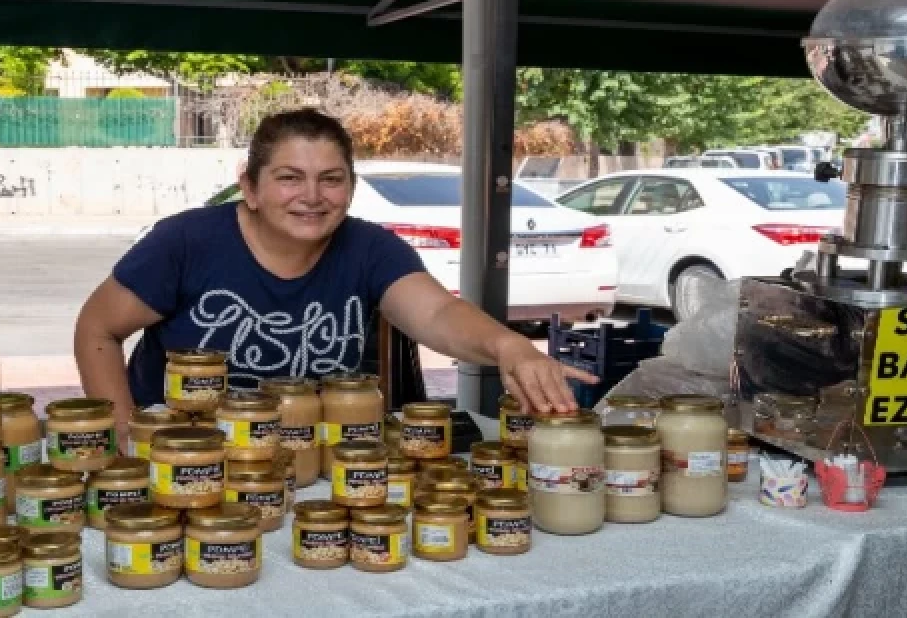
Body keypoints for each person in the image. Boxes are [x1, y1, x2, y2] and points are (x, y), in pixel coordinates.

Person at [74, 108, 595, 439]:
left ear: (349, 186)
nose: (312, 196)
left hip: (315, 459)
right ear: (250, 188)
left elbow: (436, 312)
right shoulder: (185, 242)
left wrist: (509, 346)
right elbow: (97, 328)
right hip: (185, 460)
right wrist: (122, 436)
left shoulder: (370, 248)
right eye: (289, 178)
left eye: (330, 179)